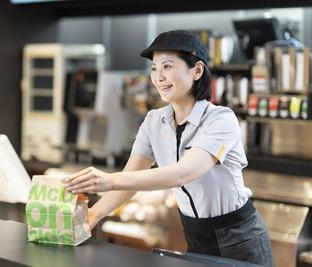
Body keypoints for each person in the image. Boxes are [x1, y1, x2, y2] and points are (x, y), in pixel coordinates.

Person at [63, 30, 274, 267]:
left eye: (167, 66)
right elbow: (131, 176)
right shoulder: (154, 121)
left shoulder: (221, 119)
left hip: (239, 237)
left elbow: (184, 172)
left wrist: (110, 180)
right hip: (195, 234)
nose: (159, 77)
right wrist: (93, 214)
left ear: (197, 71)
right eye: (154, 68)